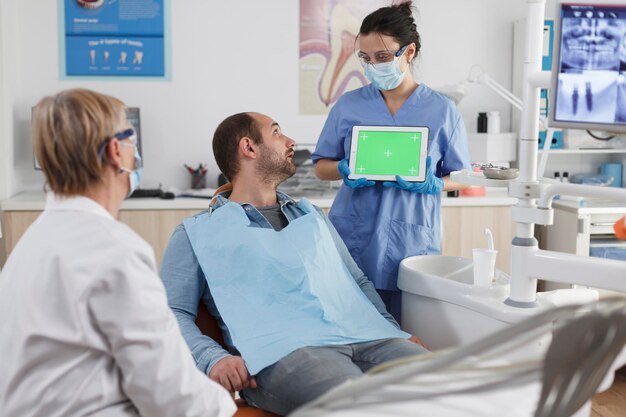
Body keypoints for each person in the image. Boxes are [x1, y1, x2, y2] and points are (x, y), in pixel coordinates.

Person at [160, 112, 428, 417]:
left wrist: (393, 331)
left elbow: (358, 282)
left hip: (367, 336)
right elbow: (170, 312)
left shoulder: (312, 216)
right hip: (284, 353)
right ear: (249, 148)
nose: (291, 142)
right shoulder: (196, 232)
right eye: (277, 133)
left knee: (451, 386)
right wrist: (213, 358)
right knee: (360, 406)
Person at [0, 89, 236, 417]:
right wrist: (227, 407)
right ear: (115, 150)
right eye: (130, 137)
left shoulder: (29, 245)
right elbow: (171, 394)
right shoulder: (114, 250)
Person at [312, 1, 471, 320]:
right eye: (366, 58)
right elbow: (320, 167)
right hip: (354, 234)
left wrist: (435, 184)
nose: (373, 66)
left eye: (382, 57)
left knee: (408, 334)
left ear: (408, 52)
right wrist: (343, 169)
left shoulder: (442, 111)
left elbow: (464, 175)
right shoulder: (349, 105)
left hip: (410, 238)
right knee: (352, 331)